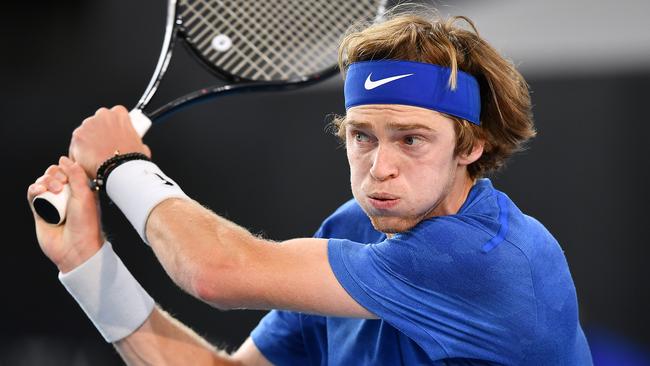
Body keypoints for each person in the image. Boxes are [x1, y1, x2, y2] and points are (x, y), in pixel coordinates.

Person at [27, 8, 593, 366]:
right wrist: (85, 260)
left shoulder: (488, 259)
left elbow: (213, 272)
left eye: (412, 139)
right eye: (363, 137)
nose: (380, 166)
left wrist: (123, 164)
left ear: (471, 147)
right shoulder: (350, 228)